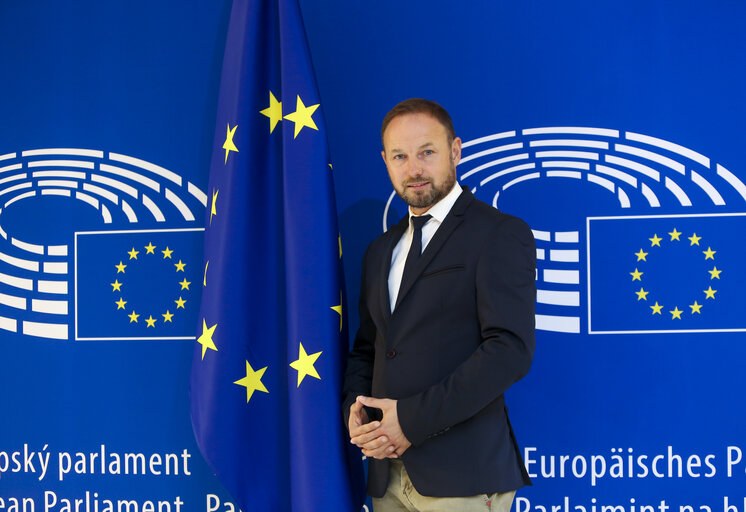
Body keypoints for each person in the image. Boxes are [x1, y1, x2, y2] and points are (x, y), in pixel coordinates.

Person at [342, 98, 536, 512]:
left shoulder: (498, 234)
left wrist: (409, 421)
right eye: (400, 156)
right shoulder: (381, 250)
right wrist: (356, 413)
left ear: (455, 151)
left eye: (426, 152)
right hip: (387, 476)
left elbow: (509, 352)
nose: (413, 169)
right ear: (386, 161)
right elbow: (369, 348)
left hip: (462, 477)